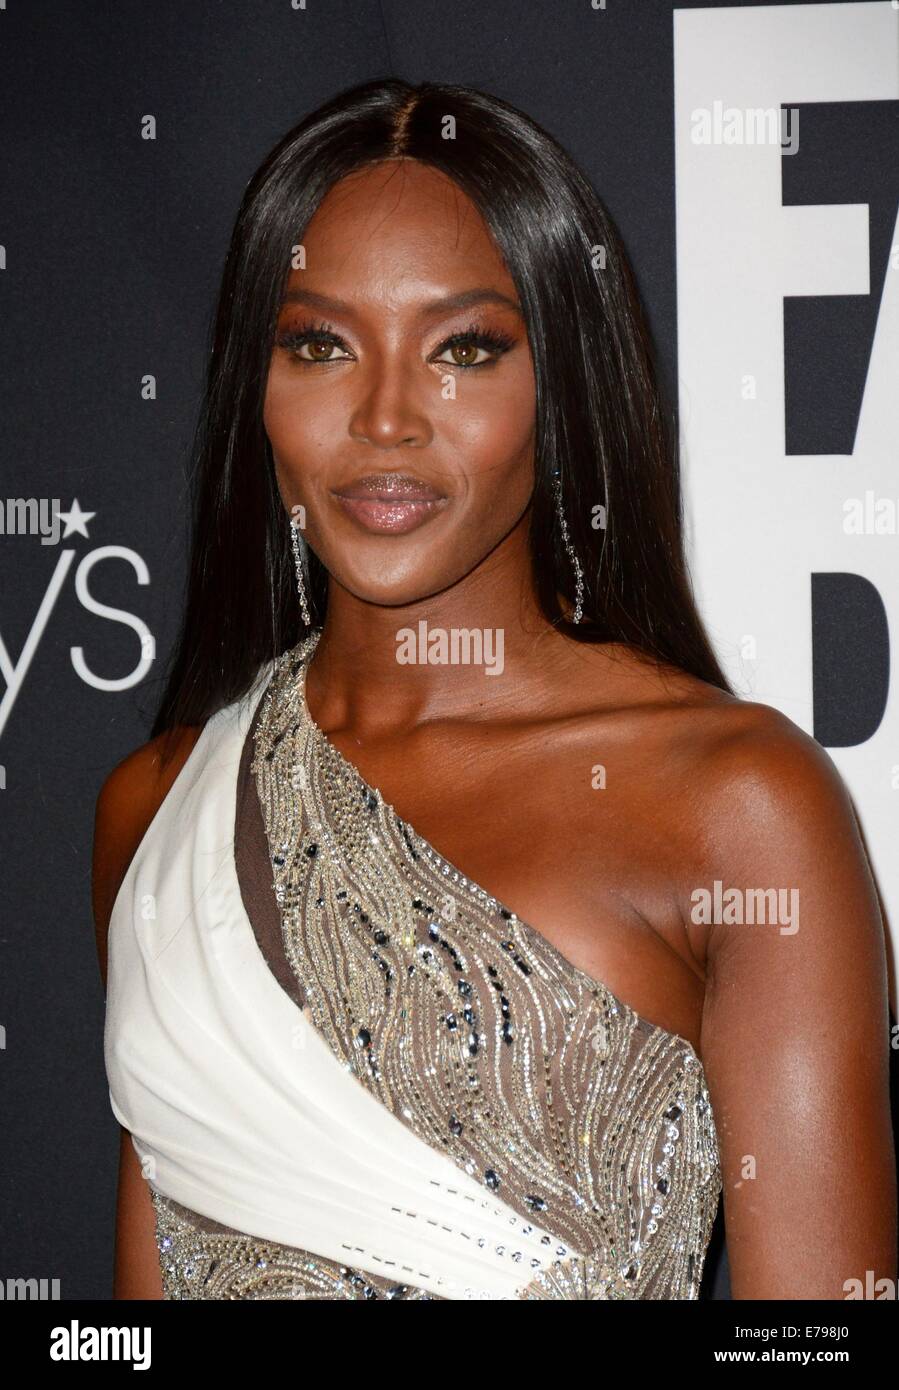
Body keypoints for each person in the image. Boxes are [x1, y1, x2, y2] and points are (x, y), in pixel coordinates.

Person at [93, 77, 896, 1300]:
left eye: (463, 348)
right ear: (255, 386)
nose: (384, 420)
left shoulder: (736, 804)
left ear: (558, 379)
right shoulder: (156, 813)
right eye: (318, 343)